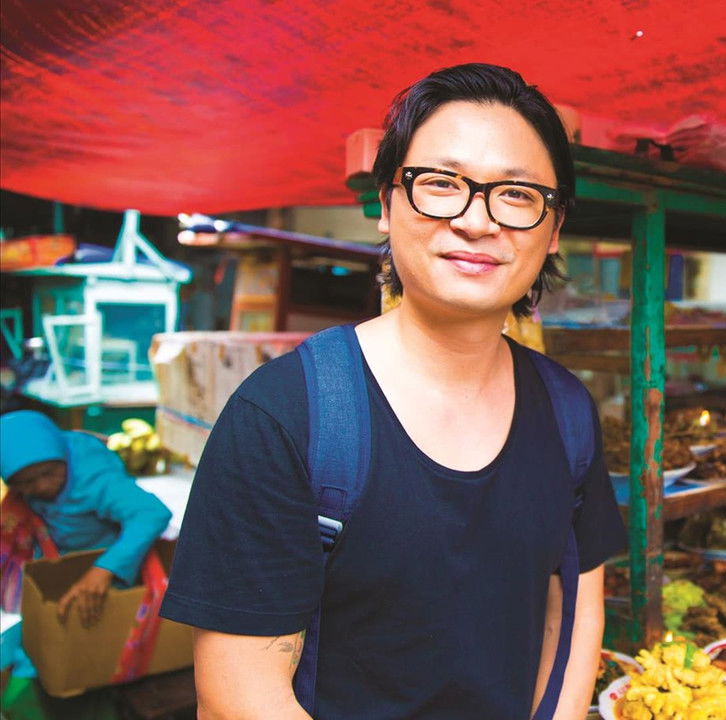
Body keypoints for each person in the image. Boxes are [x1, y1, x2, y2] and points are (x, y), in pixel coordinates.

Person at [159, 64, 626, 719]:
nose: (476, 220)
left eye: (517, 194)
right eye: (441, 184)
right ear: (385, 202)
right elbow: (239, 695)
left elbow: (575, 611)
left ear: (553, 230)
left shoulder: (568, 410)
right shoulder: (284, 417)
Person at [0, 410, 172, 676]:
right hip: (62, 553)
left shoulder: (94, 479)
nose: (42, 486)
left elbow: (152, 513)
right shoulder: (40, 477)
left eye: (49, 473)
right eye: (26, 483)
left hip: (116, 560)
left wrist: (104, 570)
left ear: (63, 458)